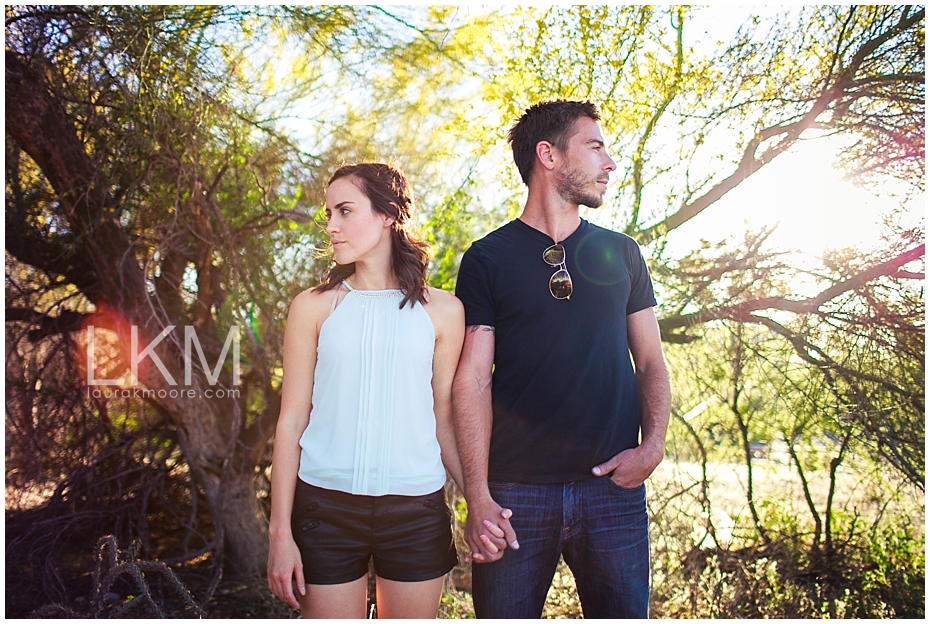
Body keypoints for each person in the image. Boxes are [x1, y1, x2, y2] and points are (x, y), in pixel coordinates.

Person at [452, 100, 671, 618]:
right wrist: (477, 496)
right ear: (547, 155)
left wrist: (654, 445)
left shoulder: (622, 253)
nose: (610, 163)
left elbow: (652, 361)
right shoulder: (487, 258)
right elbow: (473, 381)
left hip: (613, 491)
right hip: (514, 497)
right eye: (595, 146)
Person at [267, 163, 466, 618]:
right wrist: (280, 533)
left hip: (416, 512)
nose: (331, 226)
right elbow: (291, 421)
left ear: (388, 215)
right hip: (325, 509)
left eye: (344, 210)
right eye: (329, 213)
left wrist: (480, 499)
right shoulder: (312, 307)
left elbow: (444, 416)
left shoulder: (444, 312)